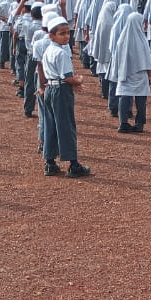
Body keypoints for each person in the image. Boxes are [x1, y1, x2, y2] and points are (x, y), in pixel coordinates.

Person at [38, 15, 91, 178]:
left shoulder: (48, 50)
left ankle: (50, 162)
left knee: (50, 125)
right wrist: (79, 80)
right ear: (51, 35)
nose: (67, 36)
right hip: (61, 91)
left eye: (68, 33)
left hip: (50, 89)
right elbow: (67, 77)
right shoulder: (61, 53)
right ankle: (73, 164)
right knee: (66, 126)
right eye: (62, 33)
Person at [112, 11, 151, 133]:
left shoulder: (122, 40)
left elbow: (116, 57)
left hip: (125, 73)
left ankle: (123, 122)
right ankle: (139, 124)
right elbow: (147, 59)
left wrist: (117, 72)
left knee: (124, 97)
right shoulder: (142, 39)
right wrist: (149, 75)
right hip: (140, 74)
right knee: (141, 100)